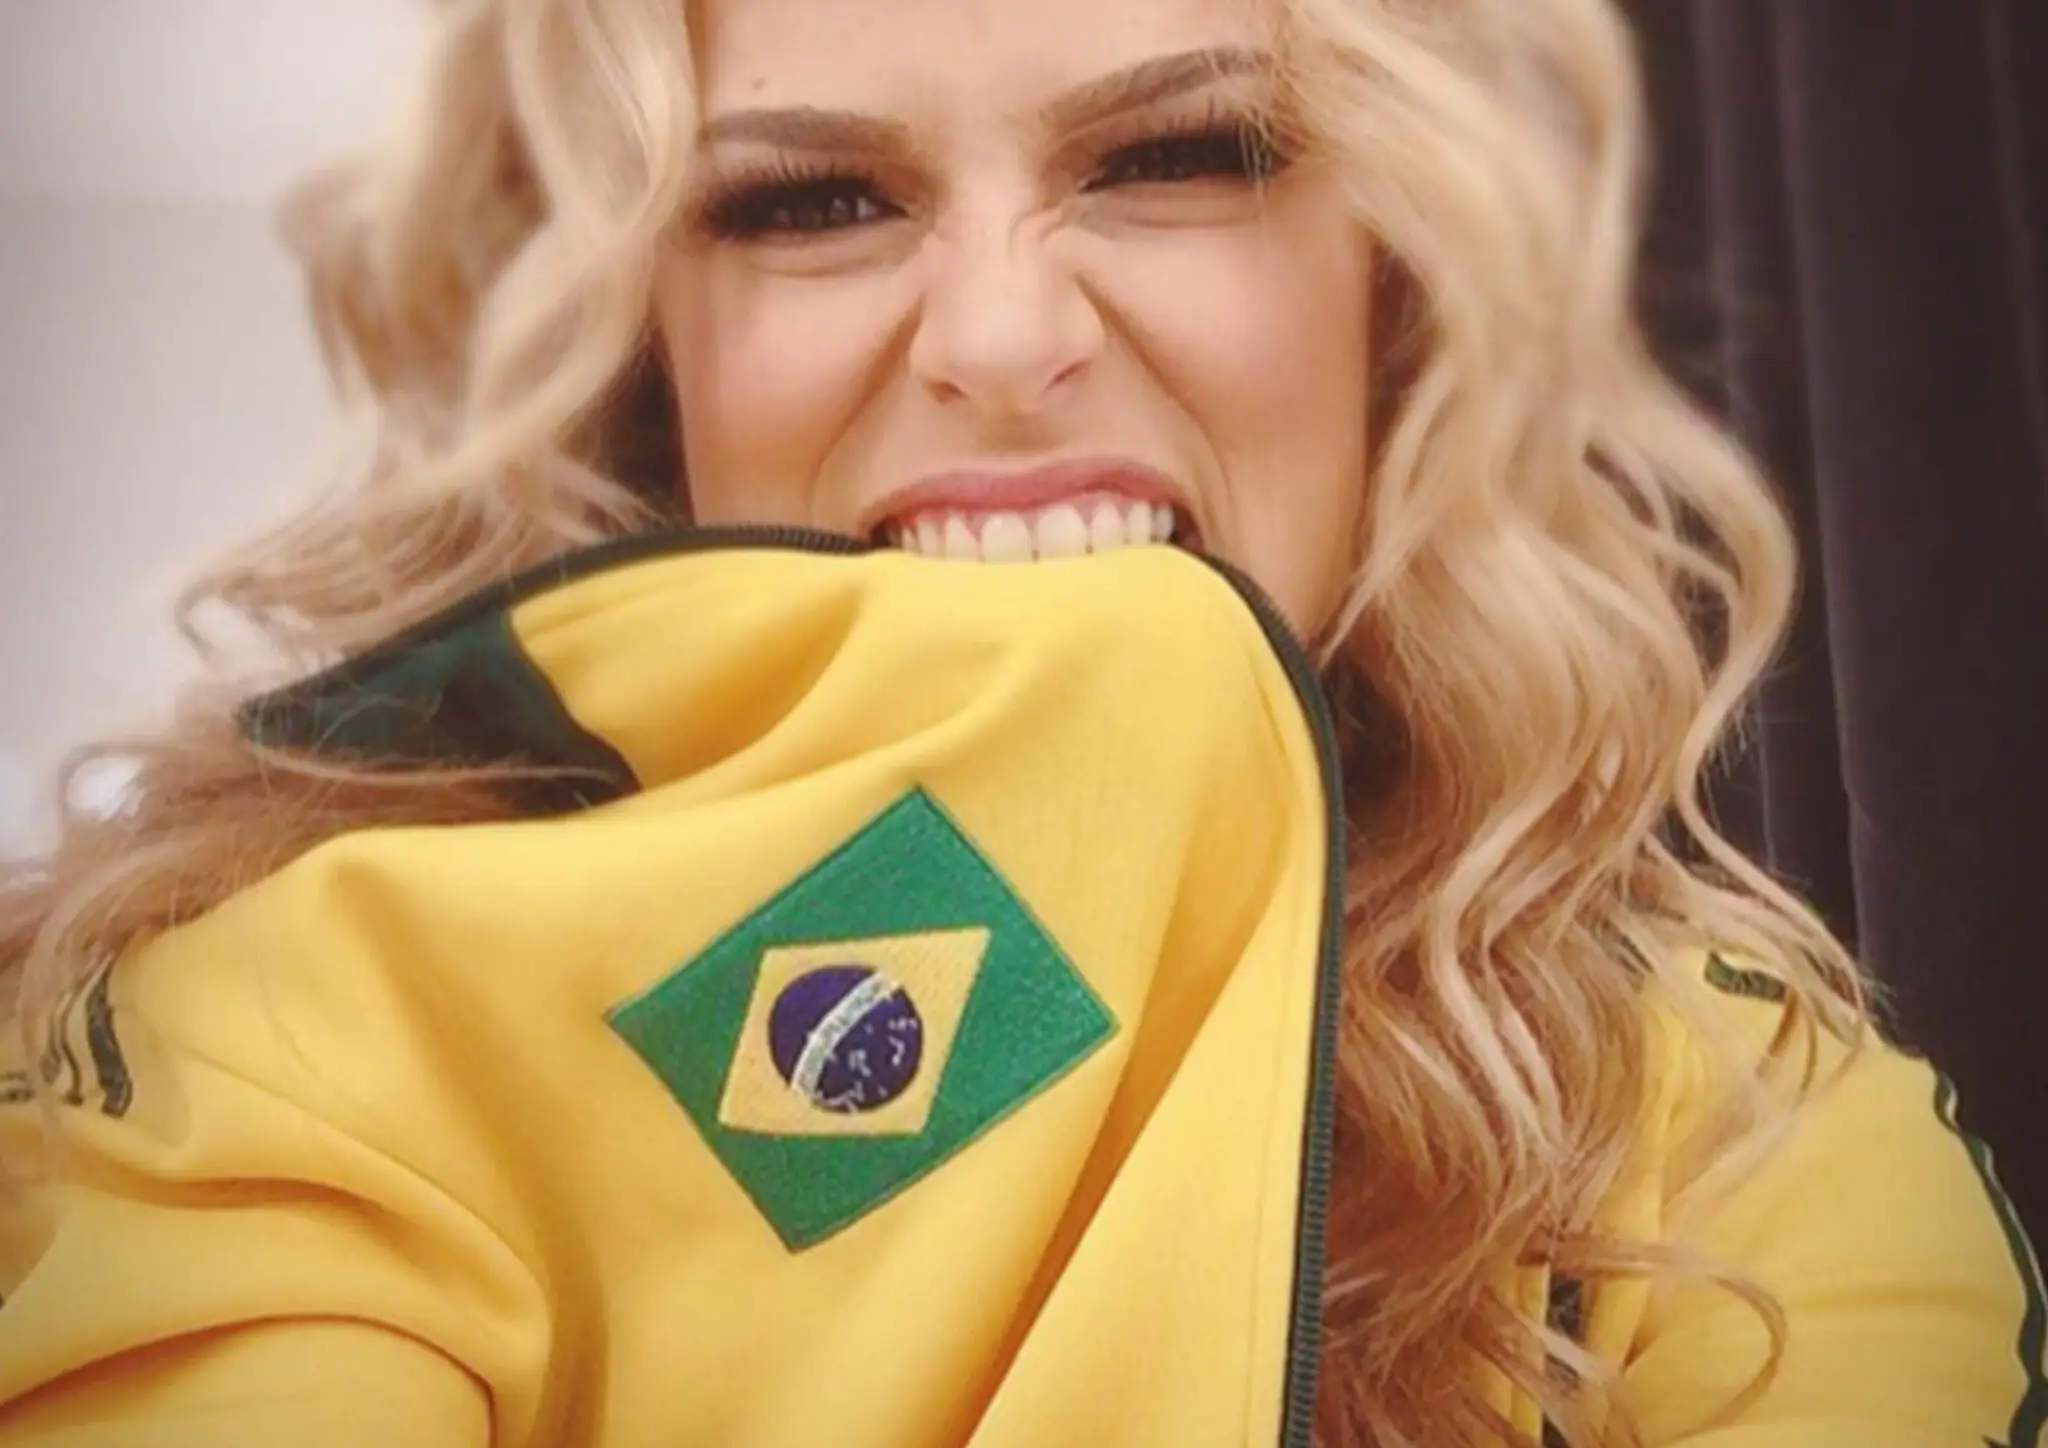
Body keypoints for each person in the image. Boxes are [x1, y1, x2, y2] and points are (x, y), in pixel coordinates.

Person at [0, 0, 2040, 1443]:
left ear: (1396, 279)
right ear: (636, 337)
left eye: (1177, 159)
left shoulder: (1734, 1129)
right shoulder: (285, 1027)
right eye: (810, 203)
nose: (998, 337)